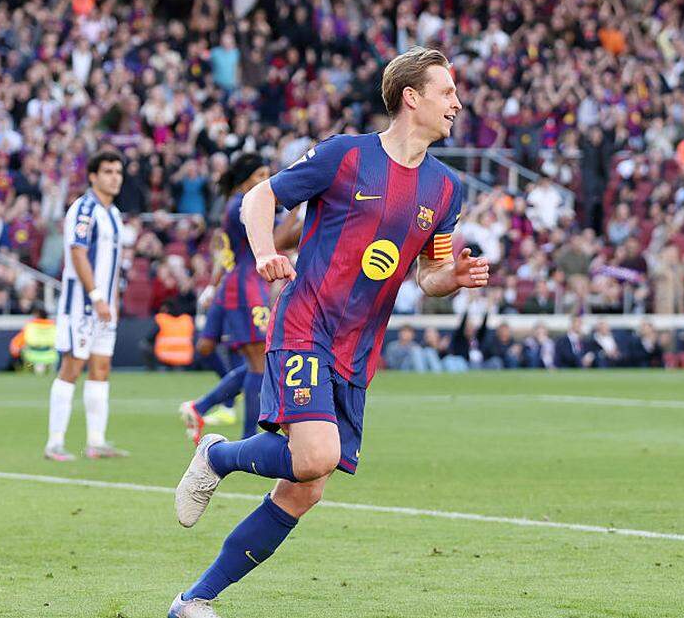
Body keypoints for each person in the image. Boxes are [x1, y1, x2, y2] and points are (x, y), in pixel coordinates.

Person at [168, 47, 489, 617]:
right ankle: (218, 456)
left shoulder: (445, 188)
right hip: (305, 323)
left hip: (358, 350)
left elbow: (430, 274)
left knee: (304, 488)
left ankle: (193, 600)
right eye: (447, 92)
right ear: (411, 98)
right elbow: (260, 197)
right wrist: (264, 252)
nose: (457, 103)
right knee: (316, 454)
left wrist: (453, 278)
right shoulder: (346, 155)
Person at [180, 153, 300, 443]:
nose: (266, 181)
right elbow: (277, 240)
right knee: (259, 363)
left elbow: (284, 238)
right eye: (260, 175)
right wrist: (297, 205)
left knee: (251, 360)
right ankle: (248, 437)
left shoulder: (241, 204)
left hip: (241, 284)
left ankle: (203, 407)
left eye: (267, 175)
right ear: (246, 178)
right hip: (246, 287)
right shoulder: (244, 205)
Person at [45, 149, 129, 461]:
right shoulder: (84, 209)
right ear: (93, 176)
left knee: (101, 368)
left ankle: (96, 441)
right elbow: (78, 253)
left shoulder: (114, 214)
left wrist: (112, 301)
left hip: (106, 307)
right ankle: (54, 443)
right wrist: (96, 296)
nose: (115, 178)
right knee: (72, 366)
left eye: (118, 172)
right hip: (81, 304)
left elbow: (114, 265)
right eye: (108, 172)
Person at [8, 305, 58, 374]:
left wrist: (15, 351)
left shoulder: (30, 326)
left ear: (37, 315)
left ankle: (28, 370)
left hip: (32, 355)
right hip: (50, 355)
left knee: (27, 361)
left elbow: (16, 344)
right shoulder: (53, 326)